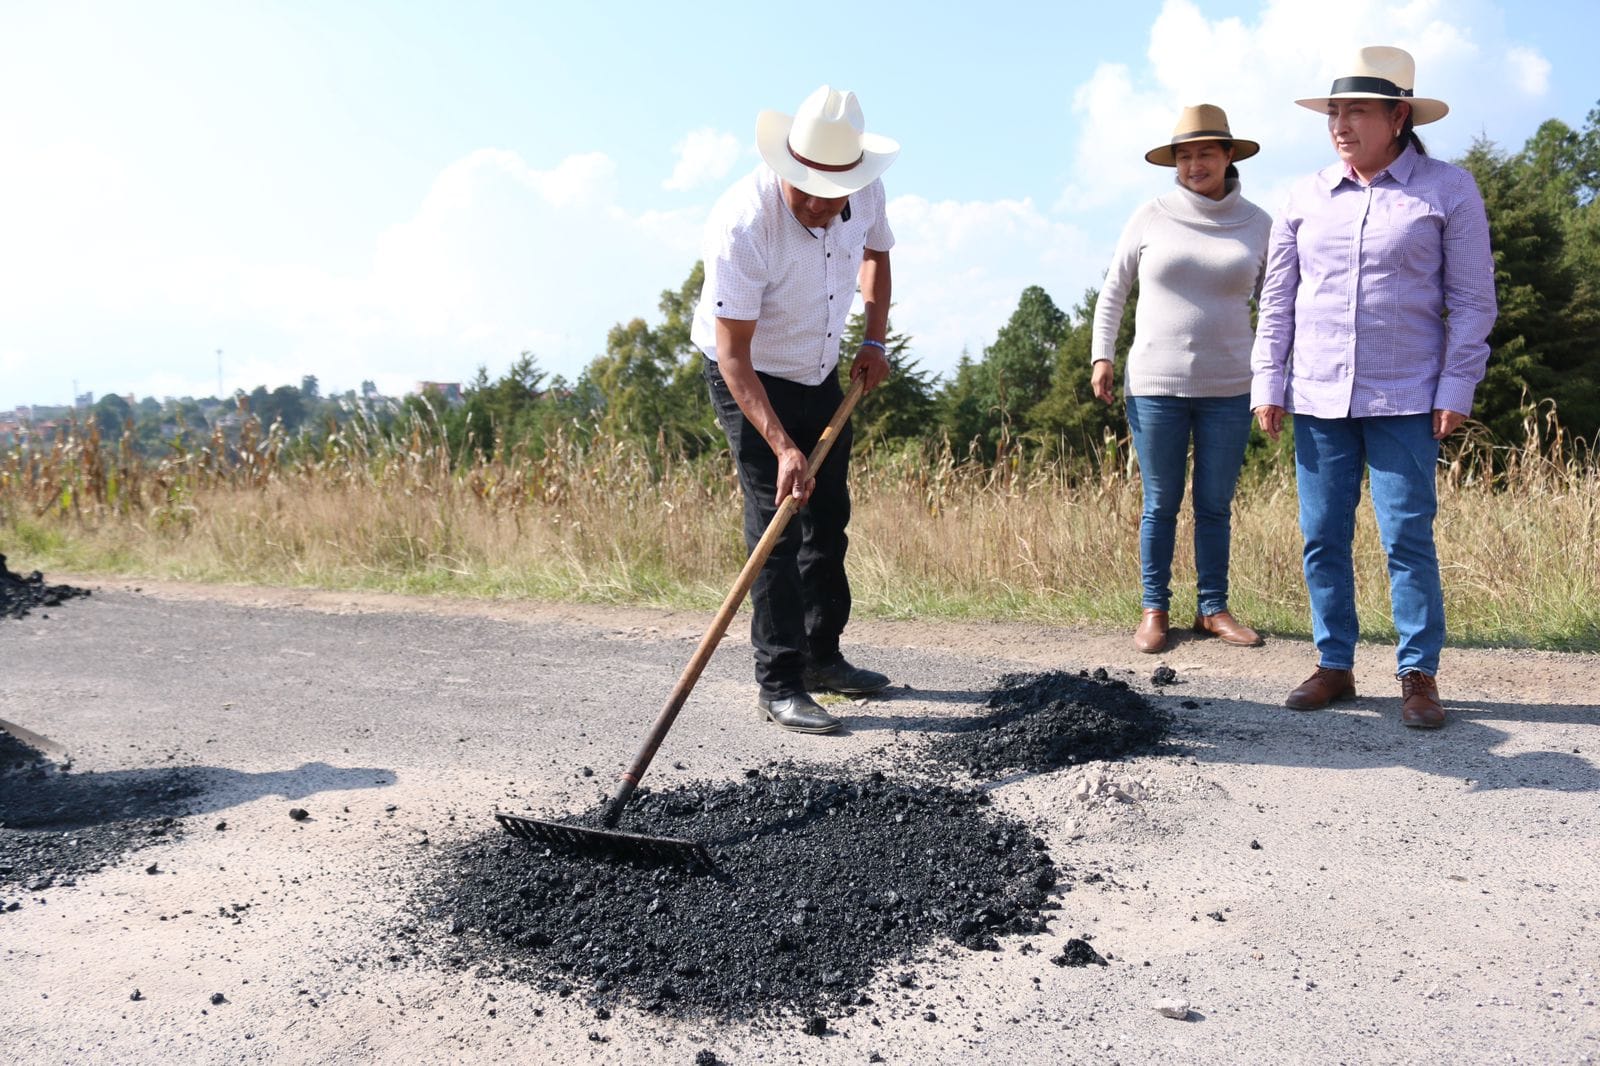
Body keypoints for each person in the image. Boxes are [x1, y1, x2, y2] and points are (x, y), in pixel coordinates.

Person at [1250, 45, 1497, 729]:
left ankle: (1418, 674)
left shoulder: (1448, 189)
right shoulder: (1304, 195)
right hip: (1318, 395)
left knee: (1407, 536)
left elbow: (1474, 301)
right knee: (1322, 536)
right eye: (1334, 111)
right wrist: (1267, 380)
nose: (1341, 123)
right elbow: (1279, 301)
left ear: (1397, 117)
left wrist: (1457, 386)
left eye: (1356, 110)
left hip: (1408, 395)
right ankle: (1334, 665)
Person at [689, 85, 898, 735]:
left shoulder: (863, 191)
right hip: (749, 375)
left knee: (828, 516)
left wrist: (873, 338)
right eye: (802, 188)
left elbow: (878, 254)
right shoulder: (742, 222)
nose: (815, 203)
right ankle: (778, 681)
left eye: (828, 195)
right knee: (777, 521)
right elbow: (733, 358)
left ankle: (821, 658)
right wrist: (783, 447)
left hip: (820, 367)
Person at [1091, 104, 1272, 654]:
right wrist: (1101, 355)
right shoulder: (1151, 214)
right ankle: (1155, 609)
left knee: (1215, 504)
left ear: (1229, 157)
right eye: (1185, 155)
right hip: (1154, 384)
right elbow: (1114, 290)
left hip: (1230, 386)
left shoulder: (1261, 224)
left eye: (1206, 153)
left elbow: (1278, 304)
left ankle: (1212, 609)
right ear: (1174, 163)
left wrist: (1273, 377)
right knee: (1161, 501)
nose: (1195, 164)